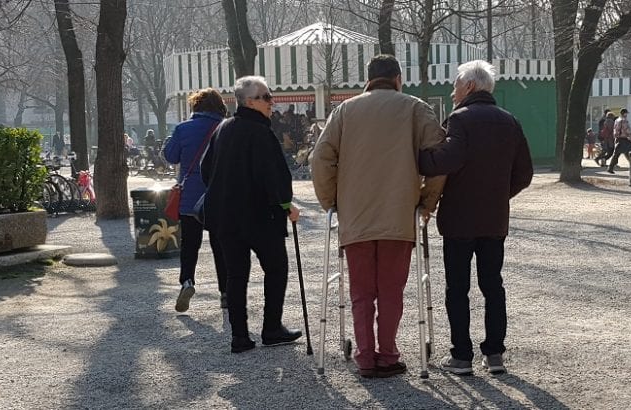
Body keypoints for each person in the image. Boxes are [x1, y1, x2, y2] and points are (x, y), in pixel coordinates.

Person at [311, 54, 446, 379]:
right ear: (398, 78)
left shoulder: (344, 110)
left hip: (355, 216)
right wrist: (426, 202)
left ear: (368, 80)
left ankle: (365, 356)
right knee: (390, 289)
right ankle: (388, 354)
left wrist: (332, 201)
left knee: (360, 291)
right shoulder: (415, 108)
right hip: (399, 215)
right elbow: (440, 156)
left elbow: (321, 158)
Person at [417, 60, 533, 376]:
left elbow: (449, 159)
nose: (452, 91)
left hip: (458, 219)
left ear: (469, 86)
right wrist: (499, 195)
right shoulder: (510, 121)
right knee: (492, 285)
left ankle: (462, 356)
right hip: (494, 220)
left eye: (455, 84)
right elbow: (524, 173)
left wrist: (419, 158)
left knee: (458, 288)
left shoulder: (460, 119)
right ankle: (495, 354)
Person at [200, 76, 302, 353]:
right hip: (259, 217)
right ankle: (271, 328)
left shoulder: (223, 128)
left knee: (236, 276)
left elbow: (205, 168)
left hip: (225, 215)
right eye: (267, 97)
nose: (272, 103)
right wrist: (286, 205)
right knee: (276, 268)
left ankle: (240, 336)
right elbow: (275, 177)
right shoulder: (260, 132)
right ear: (250, 101)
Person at [163, 88, 228, 313]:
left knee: (190, 245)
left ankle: (187, 282)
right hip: (218, 196)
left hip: (190, 198)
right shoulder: (225, 128)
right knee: (221, 246)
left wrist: (172, 138)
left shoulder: (182, 129)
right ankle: (226, 293)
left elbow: (170, 156)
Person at [608, 108, 631, 174]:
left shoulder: (617, 120)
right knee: (618, 154)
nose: (627, 115)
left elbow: (614, 129)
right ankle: (610, 168)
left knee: (622, 153)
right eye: (626, 113)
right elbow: (627, 130)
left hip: (617, 139)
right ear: (624, 113)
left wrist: (615, 137)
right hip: (623, 138)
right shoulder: (624, 121)